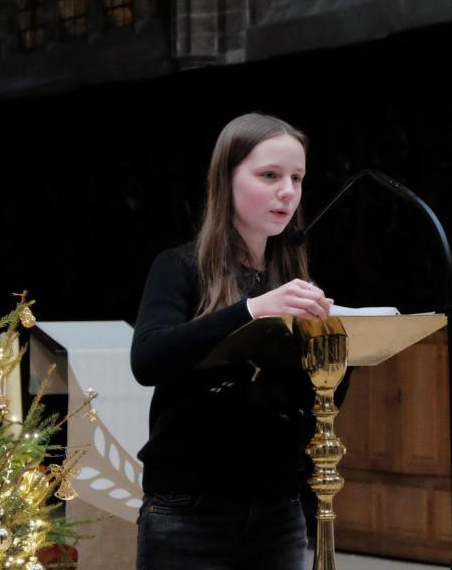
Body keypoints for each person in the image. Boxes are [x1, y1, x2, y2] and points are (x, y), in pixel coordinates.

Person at [131, 113, 334, 569]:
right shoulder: (179, 268)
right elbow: (148, 360)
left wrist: (337, 348)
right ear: (226, 180)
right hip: (188, 507)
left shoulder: (294, 282)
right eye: (270, 175)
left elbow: (323, 395)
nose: (288, 191)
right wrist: (251, 310)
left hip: (278, 507)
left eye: (297, 178)